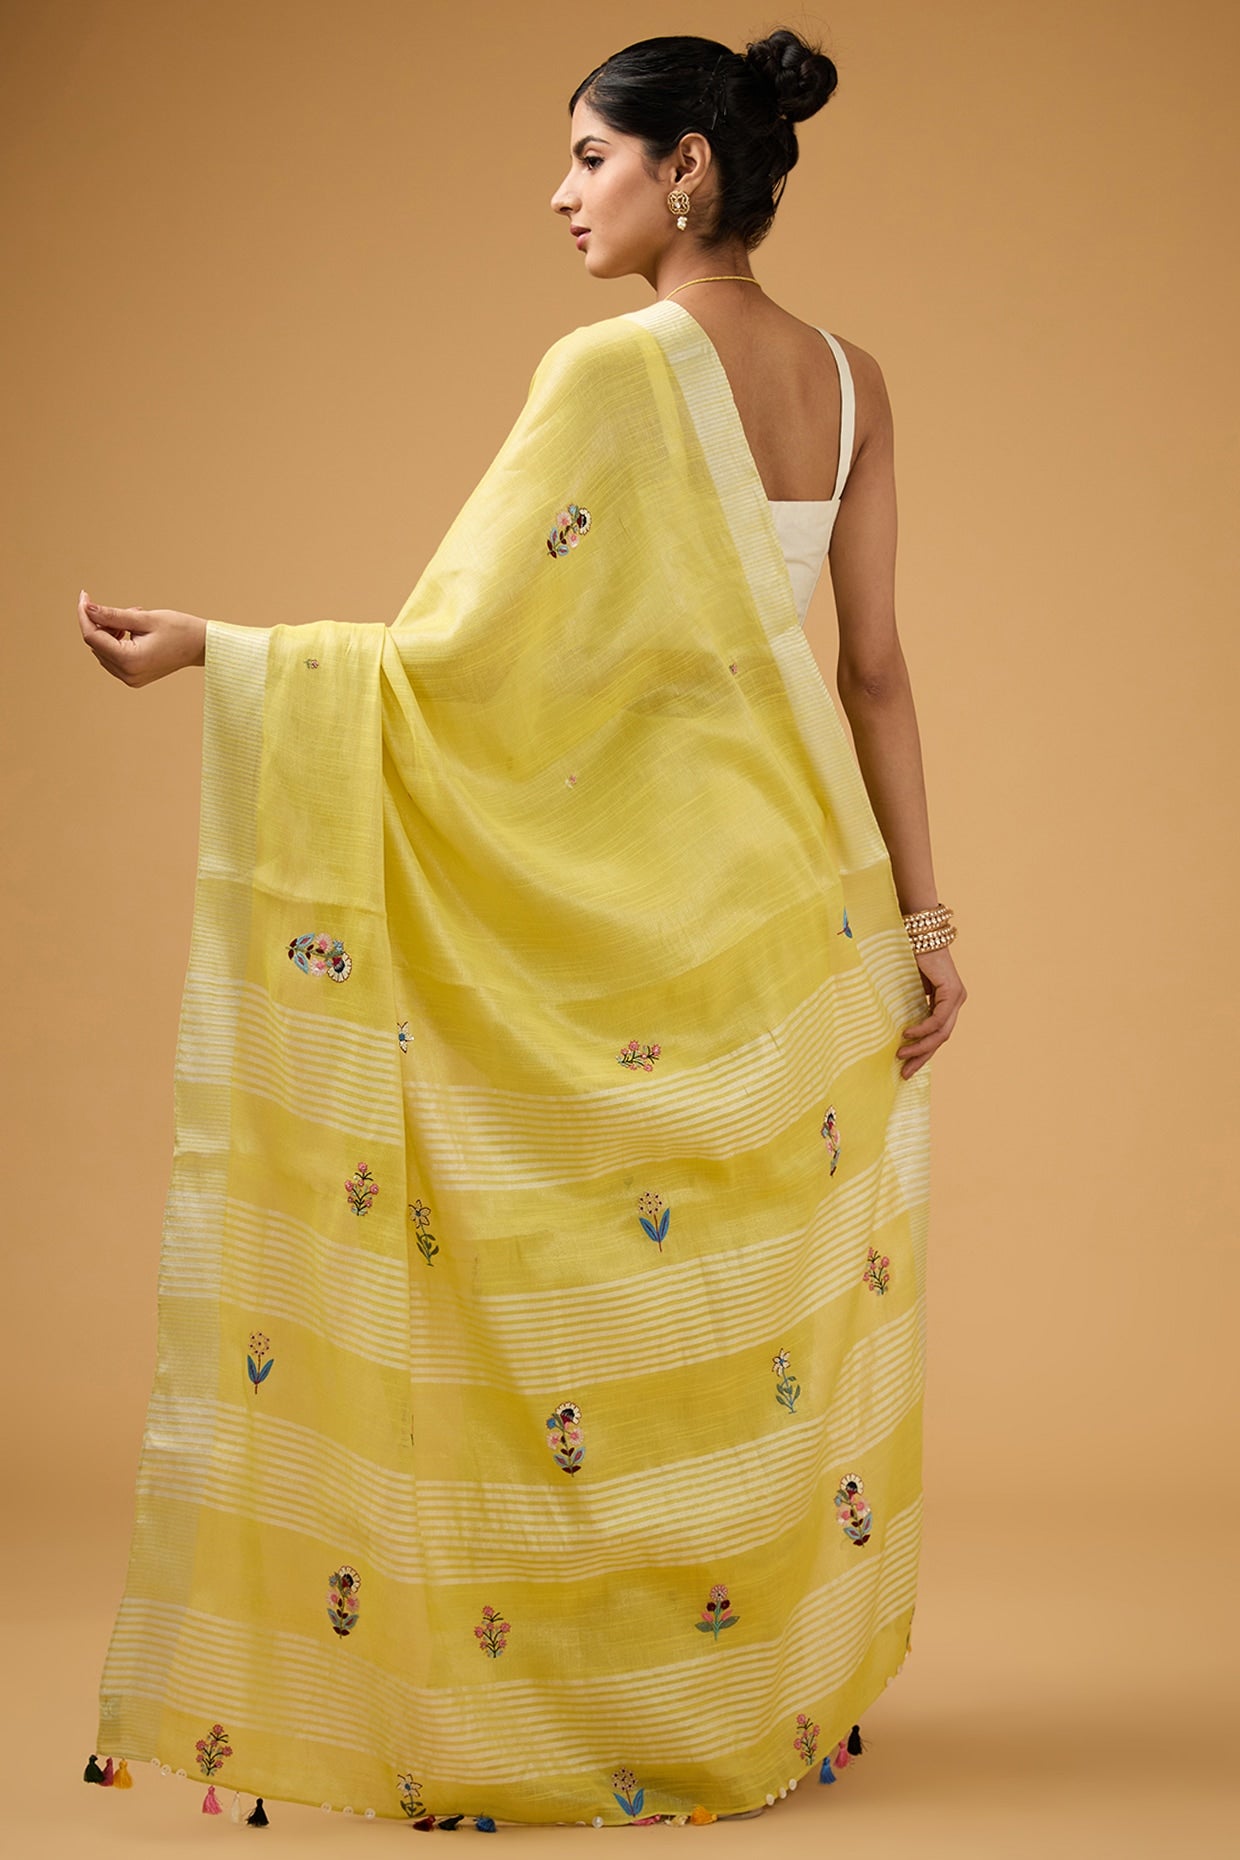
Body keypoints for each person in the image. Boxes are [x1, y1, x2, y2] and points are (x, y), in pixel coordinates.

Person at [79, 26, 965, 1830]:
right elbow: (874, 672)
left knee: (574, 1297)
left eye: (589, 157)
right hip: (796, 916)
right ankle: (727, 1706)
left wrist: (222, 657)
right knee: (729, 1324)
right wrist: (928, 920)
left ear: (687, 169)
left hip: (624, 917)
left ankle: (564, 1716)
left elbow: (458, 663)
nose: (560, 195)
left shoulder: (613, 368)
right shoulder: (855, 380)